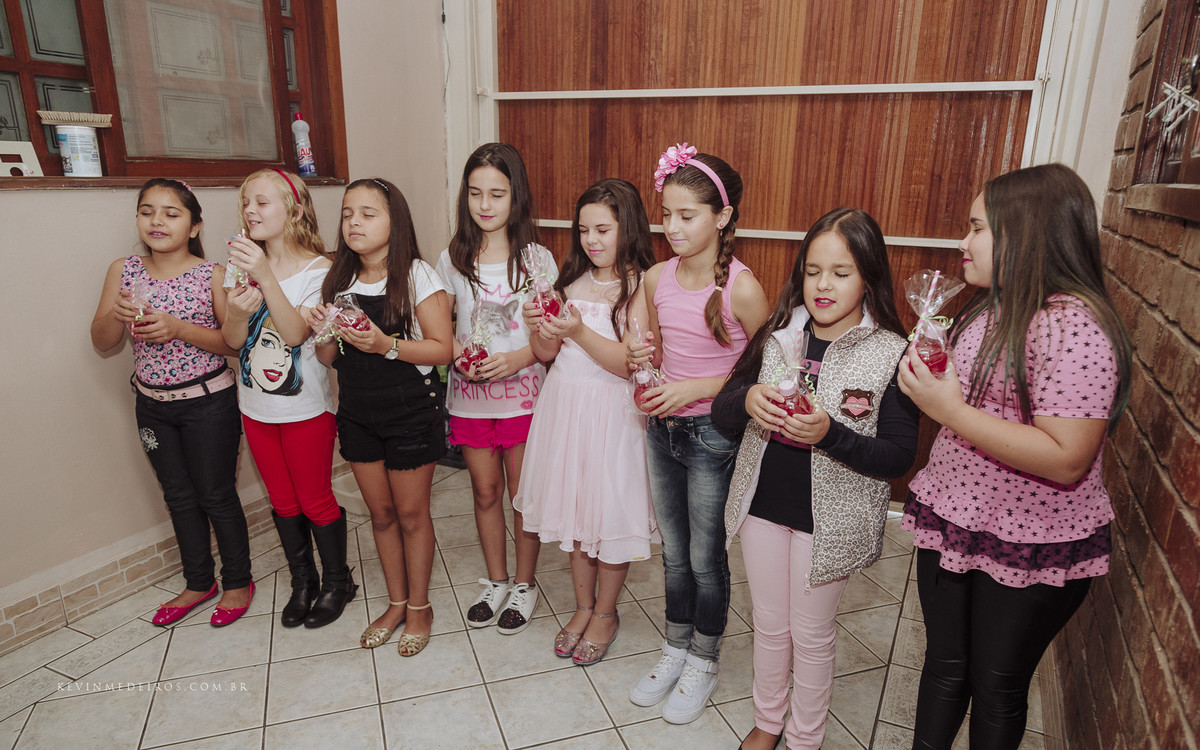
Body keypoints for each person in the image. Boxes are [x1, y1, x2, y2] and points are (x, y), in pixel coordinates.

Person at [898, 164, 1132, 750]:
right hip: (957, 518)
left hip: (1031, 540)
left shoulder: (1074, 328)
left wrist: (948, 410)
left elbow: (1066, 458)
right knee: (944, 666)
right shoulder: (989, 308)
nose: (962, 241)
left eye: (976, 227)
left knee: (996, 685)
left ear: (1025, 232)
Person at [713, 208, 920, 749]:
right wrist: (746, 399)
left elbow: (897, 456)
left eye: (842, 272)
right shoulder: (778, 335)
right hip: (762, 507)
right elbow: (721, 410)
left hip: (830, 524)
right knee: (770, 624)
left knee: (810, 635)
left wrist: (829, 434)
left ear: (869, 277)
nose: (822, 284)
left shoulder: (890, 354)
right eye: (812, 270)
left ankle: (805, 737)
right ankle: (767, 721)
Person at [625, 143, 771, 723]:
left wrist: (697, 388)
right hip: (661, 432)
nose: (673, 227)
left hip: (713, 436)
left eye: (688, 215)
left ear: (723, 216)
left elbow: (765, 368)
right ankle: (674, 647)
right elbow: (655, 349)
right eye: (667, 214)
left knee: (707, 557)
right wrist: (642, 355)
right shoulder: (657, 276)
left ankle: (705, 659)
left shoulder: (741, 287)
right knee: (674, 553)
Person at [90, 178, 254, 627]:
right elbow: (102, 341)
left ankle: (238, 581)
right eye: (147, 211)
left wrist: (179, 328)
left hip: (208, 403)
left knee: (216, 495)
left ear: (195, 224)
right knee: (178, 497)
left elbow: (232, 344)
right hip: (152, 406)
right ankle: (199, 582)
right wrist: (115, 316)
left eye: (171, 212)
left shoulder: (212, 274)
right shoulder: (123, 271)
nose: (157, 221)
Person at [513, 178, 660, 666]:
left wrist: (575, 327)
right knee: (576, 513)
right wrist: (541, 327)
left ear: (629, 228)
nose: (591, 240)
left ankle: (605, 611)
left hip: (613, 413)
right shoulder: (569, 282)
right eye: (583, 230)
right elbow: (546, 354)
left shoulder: (642, 285)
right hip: (566, 409)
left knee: (608, 513)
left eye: (603, 229)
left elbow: (628, 365)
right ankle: (581, 606)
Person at [313, 178, 452, 656]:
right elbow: (330, 359)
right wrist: (323, 336)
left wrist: (385, 344)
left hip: (411, 409)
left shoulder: (417, 275)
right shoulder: (337, 280)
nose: (354, 222)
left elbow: (442, 350)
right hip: (356, 412)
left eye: (368, 213)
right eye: (348, 213)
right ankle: (395, 602)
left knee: (412, 515)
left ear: (396, 222)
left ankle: (419, 607)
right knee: (381, 514)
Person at [222, 168, 357, 629]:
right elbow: (233, 341)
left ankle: (338, 582)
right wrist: (239, 312)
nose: (250, 212)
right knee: (282, 501)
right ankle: (304, 581)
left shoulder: (321, 271)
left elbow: (298, 332)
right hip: (255, 408)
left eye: (262, 202)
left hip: (304, 410)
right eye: (246, 203)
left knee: (315, 499)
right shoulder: (243, 265)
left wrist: (264, 277)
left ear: (294, 209)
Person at [435, 143, 551, 635]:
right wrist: (462, 355)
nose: (485, 204)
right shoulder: (451, 258)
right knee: (485, 491)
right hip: (469, 397)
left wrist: (516, 358)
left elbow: (550, 339)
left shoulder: (536, 259)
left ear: (516, 197)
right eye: (476, 193)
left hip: (524, 396)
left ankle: (524, 585)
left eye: (497, 194)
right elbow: (441, 327)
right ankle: (496, 579)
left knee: (522, 494)